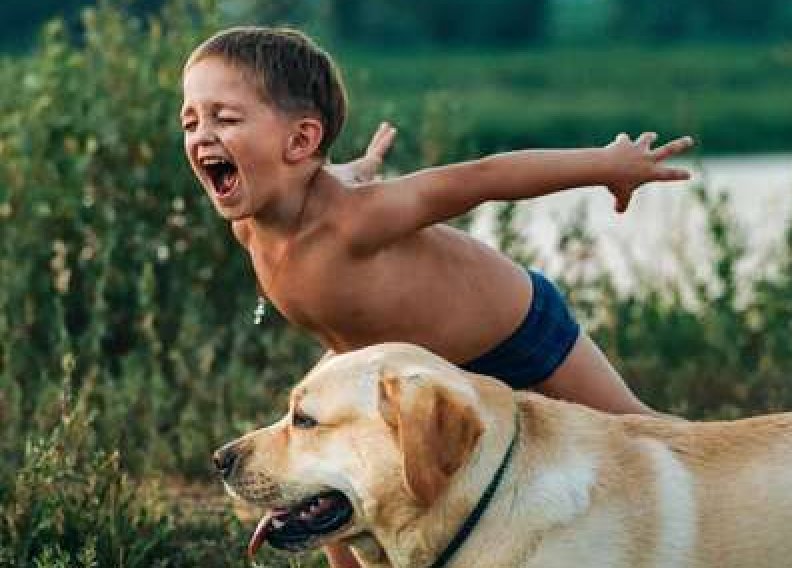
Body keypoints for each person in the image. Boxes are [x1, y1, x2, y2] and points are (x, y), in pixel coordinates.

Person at [181, 27, 693, 567]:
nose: (201, 135)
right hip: (405, 369)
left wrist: (606, 165)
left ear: (301, 141)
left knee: (641, 432)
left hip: (517, 330)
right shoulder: (253, 225)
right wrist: (359, 166)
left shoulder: (358, 220)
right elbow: (328, 177)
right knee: (321, 472)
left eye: (225, 118)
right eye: (190, 121)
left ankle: (742, 482)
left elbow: (483, 178)